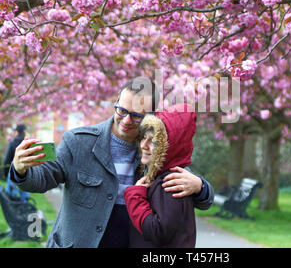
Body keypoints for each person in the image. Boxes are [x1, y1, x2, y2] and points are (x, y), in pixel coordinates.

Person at [9, 77, 214, 248]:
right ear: (116, 102)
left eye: (135, 116)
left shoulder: (153, 149)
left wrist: (200, 187)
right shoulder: (78, 141)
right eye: (121, 110)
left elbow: (199, 196)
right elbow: (42, 179)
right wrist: (21, 170)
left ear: (151, 116)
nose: (125, 121)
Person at [124, 103, 197, 247]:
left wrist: (135, 197)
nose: (144, 145)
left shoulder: (172, 182)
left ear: (169, 147)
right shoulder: (159, 176)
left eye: (154, 141)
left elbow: (157, 231)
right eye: (144, 137)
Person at [3, 124, 30, 202]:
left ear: (17, 131)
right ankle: (24, 212)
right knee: (25, 198)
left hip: (13, 173)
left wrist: (5, 174)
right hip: (26, 173)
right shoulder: (28, 144)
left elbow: (6, 160)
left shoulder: (12, 143)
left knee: (11, 199)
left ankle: (14, 213)